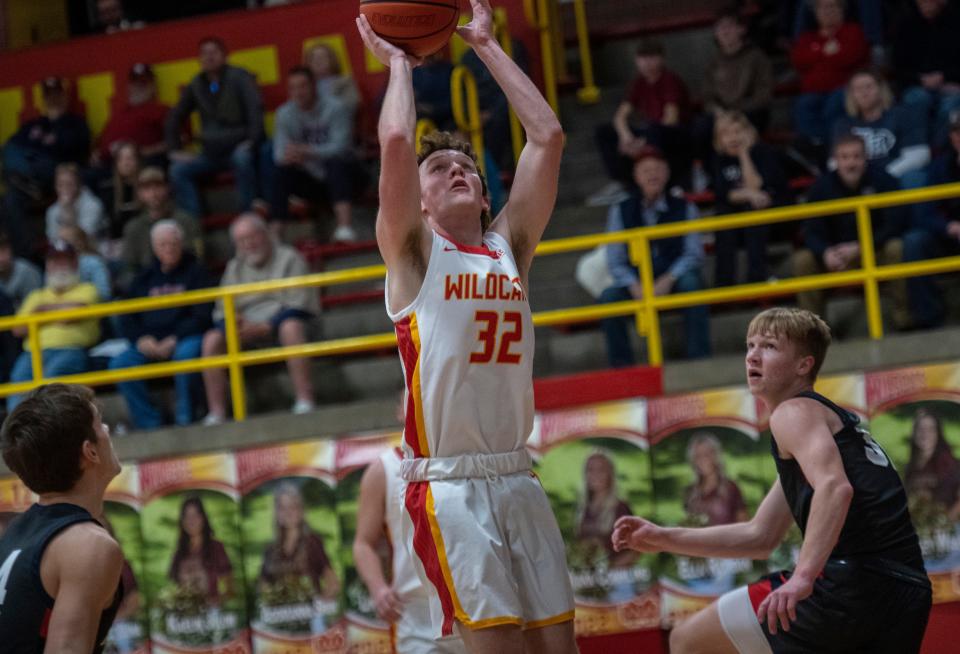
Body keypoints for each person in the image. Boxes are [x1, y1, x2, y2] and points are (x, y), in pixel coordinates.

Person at [357, 0, 578, 649]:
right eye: (439, 170)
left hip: (518, 475)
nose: (457, 169)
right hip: (450, 486)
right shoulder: (413, 254)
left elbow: (549, 138)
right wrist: (400, 66)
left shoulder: (511, 246)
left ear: (485, 197)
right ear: (419, 201)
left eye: (469, 170)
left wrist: (484, 42)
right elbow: (396, 142)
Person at [612, 307, 932, 653]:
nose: (753, 354)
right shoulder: (823, 427)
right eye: (750, 345)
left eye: (769, 346)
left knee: (688, 640)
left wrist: (803, 577)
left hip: (851, 582)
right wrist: (662, 537)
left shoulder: (793, 413)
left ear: (803, 365)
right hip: (907, 590)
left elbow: (835, 489)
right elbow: (760, 536)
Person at [0, 383, 124, 653]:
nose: (107, 430)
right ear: (89, 452)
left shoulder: (15, 530)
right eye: (100, 424)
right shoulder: (88, 545)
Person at [792, 133, 926, 329]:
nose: (851, 163)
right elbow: (811, 230)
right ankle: (813, 333)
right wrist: (825, 252)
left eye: (856, 156)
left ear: (865, 158)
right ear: (836, 160)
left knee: (897, 247)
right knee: (803, 260)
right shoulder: (821, 187)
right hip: (836, 257)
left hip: (874, 251)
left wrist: (862, 247)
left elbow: (895, 224)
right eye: (845, 157)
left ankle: (904, 318)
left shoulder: (883, 180)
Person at [201, 213, 318, 425]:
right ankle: (216, 413)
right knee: (211, 340)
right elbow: (221, 310)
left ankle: (305, 399)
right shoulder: (234, 267)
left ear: (265, 234)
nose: (249, 244)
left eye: (252, 237)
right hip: (246, 329)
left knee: (291, 328)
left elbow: (299, 304)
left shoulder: (289, 257)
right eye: (242, 240)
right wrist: (234, 323)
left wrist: (268, 326)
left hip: (283, 323)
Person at [599, 147, 710, 365]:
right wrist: (634, 285)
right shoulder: (620, 210)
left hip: (673, 277)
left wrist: (669, 279)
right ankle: (622, 370)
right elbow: (615, 259)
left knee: (692, 284)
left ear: (667, 173)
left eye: (658, 169)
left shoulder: (685, 207)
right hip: (637, 280)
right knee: (608, 299)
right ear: (636, 176)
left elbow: (693, 253)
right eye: (646, 170)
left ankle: (700, 360)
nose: (653, 175)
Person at [355, 447, 467, 654]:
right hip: (416, 612)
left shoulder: (465, 452)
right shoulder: (383, 469)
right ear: (400, 412)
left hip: (472, 601)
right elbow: (363, 543)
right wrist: (378, 588)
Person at [110, 221, 212, 430]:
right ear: (154, 247)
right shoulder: (143, 278)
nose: (169, 249)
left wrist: (175, 338)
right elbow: (127, 317)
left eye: (173, 243)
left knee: (186, 356)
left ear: (181, 244)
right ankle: (149, 423)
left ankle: (186, 419)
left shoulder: (198, 273)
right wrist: (141, 340)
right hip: (149, 342)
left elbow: (203, 314)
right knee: (120, 364)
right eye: (163, 244)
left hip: (185, 337)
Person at [165, 37, 264, 217]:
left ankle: (248, 216)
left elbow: (255, 110)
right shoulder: (196, 84)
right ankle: (193, 222)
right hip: (210, 153)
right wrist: (174, 150)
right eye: (204, 54)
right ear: (199, 59)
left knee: (242, 159)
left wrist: (252, 141)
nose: (209, 58)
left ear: (225, 56)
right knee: (177, 170)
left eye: (214, 53)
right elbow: (174, 117)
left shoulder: (240, 77)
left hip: (238, 146)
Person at [588, 40, 692, 206]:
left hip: (676, 135)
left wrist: (642, 143)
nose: (647, 63)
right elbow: (620, 117)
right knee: (604, 131)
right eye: (643, 58)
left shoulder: (669, 80)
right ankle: (621, 182)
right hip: (650, 131)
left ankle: (663, 181)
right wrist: (626, 138)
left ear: (661, 59)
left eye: (652, 58)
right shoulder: (639, 82)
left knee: (653, 129)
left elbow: (670, 118)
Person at [7, 241, 101, 411]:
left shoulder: (88, 289)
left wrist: (40, 313)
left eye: (63, 260)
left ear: (75, 263)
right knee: (18, 380)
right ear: (47, 265)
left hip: (71, 350)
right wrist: (58, 312)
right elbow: (18, 329)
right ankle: (15, 434)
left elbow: (72, 315)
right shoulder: (36, 294)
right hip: (32, 353)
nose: (58, 266)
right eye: (53, 261)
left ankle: (45, 433)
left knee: (50, 382)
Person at [2, 76, 91, 255]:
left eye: (57, 94)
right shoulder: (33, 125)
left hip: (58, 175)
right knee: (10, 197)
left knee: (42, 162)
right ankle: (26, 253)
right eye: (48, 95)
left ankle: (26, 179)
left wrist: (56, 123)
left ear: (64, 96)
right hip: (27, 182)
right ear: (43, 99)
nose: (53, 99)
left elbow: (76, 149)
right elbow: (10, 148)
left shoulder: (75, 123)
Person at [270, 65, 360, 241]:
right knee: (279, 172)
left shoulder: (336, 107)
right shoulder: (284, 114)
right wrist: (295, 156)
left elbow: (341, 147)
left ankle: (345, 227)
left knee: (336, 163)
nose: (298, 92)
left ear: (314, 86)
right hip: (311, 179)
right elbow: (279, 155)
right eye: (293, 88)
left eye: (303, 86)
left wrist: (307, 151)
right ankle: (275, 234)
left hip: (348, 176)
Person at [711, 111, 787, 287]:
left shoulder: (763, 153)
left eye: (737, 131)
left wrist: (744, 154)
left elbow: (756, 185)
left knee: (752, 212)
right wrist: (749, 195)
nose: (733, 138)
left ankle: (757, 277)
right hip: (735, 223)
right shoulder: (719, 160)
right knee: (724, 217)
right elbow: (725, 193)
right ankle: (724, 285)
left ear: (748, 133)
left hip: (771, 221)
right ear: (718, 139)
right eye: (726, 134)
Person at [832, 69, 929, 188]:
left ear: (881, 89)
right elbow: (833, 162)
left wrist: (884, 176)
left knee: (915, 177)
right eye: (857, 89)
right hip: (859, 180)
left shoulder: (902, 115)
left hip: (896, 174)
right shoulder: (843, 124)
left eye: (868, 87)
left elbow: (919, 154)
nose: (864, 92)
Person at [790, 0, 869, 146]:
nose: (827, 11)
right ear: (815, 13)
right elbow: (799, 61)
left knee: (834, 103)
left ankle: (834, 147)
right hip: (813, 93)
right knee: (803, 105)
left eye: (832, 6)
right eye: (822, 7)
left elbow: (851, 57)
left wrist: (818, 56)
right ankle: (815, 147)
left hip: (845, 89)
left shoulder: (852, 31)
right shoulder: (807, 38)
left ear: (842, 9)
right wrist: (825, 52)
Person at [892, 0, 960, 147]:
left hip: (951, 84)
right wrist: (920, 79)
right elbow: (897, 68)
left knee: (951, 104)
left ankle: (936, 150)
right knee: (918, 99)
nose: (926, 4)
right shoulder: (905, 25)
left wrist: (944, 77)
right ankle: (917, 147)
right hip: (915, 85)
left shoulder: (955, 23)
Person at [259, 484, 339, 600]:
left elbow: (333, 583)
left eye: (293, 506)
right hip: (279, 613)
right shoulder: (270, 548)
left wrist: (320, 606)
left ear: (301, 510)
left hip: (311, 613)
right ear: (277, 513)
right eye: (283, 508)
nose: (288, 512)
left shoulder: (312, 542)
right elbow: (262, 587)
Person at [121, 167, 202, 281]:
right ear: (139, 193)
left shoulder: (186, 221)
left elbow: (197, 258)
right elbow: (129, 268)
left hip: (184, 281)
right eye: (147, 188)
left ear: (167, 188)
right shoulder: (133, 228)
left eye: (158, 186)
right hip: (148, 286)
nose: (153, 193)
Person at [701, 10, 774, 132]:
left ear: (742, 29)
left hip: (751, 112)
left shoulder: (757, 57)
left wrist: (737, 112)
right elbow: (708, 97)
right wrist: (719, 112)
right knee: (702, 127)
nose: (724, 31)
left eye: (729, 25)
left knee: (741, 125)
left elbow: (764, 92)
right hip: (722, 115)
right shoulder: (712, 63)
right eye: (719, 27)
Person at [95, 63, 167, 169]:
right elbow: (101, 142)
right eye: (135, 82)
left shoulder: (161, 110)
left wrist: (148, 151)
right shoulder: (118, 114)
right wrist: (96, 153)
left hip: (141, 164)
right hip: (109, 165)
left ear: (153, 86)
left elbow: (177, 140)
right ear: (129, 86)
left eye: (144, 82)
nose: (138, 86)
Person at [575, 451, 635, 567]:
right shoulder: (583, 510)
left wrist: (612, 568)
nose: (595, 474)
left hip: (619, 578)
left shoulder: (620, 508)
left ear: (610, 474)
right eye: (590, 469)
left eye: (601, 469)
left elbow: (636, 549)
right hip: (590, 578)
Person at [168, 496, 233, 604]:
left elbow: (230, 589)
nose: (191, 521)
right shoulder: (179, 553)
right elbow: (176, 590)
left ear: (203, 518)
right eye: (186, 516)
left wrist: (215, 601)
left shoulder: (216, 548)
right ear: (182, 521)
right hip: (187, 615)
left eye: (195, 515)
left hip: (212, 613)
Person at [904, 408, 960, 519]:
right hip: (919, 530)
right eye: (920, 429)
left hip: (948, 531)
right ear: (914, 433)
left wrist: (945, 522)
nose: (925, 433)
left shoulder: (952, 464)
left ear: (938, 434)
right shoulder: (910, 467)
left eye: (931, 429)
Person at [683, 432, 748, 526]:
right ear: (693, 460)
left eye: (707, 453)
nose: (703, 459)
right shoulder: (690, 492)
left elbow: (744, 527)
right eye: (698, 455)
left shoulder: (731, 488)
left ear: (716, 455)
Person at [45, 163, 109, 245]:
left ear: (79, 184)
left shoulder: (94, 205)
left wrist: (68, 211)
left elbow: (84, 238)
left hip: (94, 252)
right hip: (65, 255)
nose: (65, 188)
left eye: (69, 184)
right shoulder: (52, 211)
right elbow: (52, 240)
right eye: (60, 185)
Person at [94, 141, 142, 245]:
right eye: (121, 159)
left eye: (130, 158)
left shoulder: (146, 187)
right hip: (116, 243)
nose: (126, 163)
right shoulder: (107, 189)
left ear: (138, 161)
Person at [305, 42, 361, 123]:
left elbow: (353, 104)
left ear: (332, 59)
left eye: (322, 57)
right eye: (314, 58)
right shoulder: (304, 86)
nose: (318, 61)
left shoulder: (345, 81)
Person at [58, 224, 113, 302]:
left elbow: (105, 293)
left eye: (65, 241)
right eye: (59, 240)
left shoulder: (93, 262)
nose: (60, 245)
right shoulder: (55, 264)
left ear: (79, 242)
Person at [0, 230, 42, 309]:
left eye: (3, 250)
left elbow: (36, 307)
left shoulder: (27, 273)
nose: (0, 258)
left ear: (11, 250)